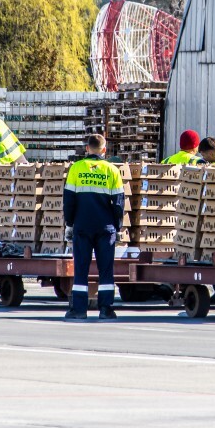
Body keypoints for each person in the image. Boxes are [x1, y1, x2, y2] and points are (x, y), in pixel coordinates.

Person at [63, 134, 124, 321]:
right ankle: (106, 309)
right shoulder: (112, 170)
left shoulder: (76, 168)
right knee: (106, 269)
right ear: (104, 150)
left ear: (87, 149)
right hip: (106, 227)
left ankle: (79, 310)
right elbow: (119, 203)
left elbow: (69, 200)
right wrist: (118, 227)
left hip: (82, 225)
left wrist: (70, 224)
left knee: (81, 267)